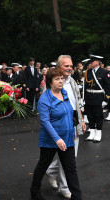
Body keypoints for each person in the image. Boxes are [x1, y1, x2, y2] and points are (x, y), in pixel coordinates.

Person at [30, 67, 82, 200]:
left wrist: (72, 130)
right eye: (56, 79)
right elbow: (45, 122)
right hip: (50, 140)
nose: (60, 81)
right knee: (43, 166)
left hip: (68, 138)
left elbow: (70, 114)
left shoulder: (64, 93)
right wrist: (57, 139)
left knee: (71, 169)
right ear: (50, 82)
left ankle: (77, 196)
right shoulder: (45, 99)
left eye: (61, 78)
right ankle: (35, 192)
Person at [46, 55, 86, 199]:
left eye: (70, 65)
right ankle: (64, 188)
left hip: (74, 124)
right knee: (68, 159)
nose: (69, 68)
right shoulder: (53, 83)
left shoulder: (73, 82)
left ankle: (50, 171)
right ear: (58, 67)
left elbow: (77, 102)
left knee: (71, 157)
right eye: (66, 66)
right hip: (61, 126)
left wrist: (81, 120)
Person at [84, 54, 110, 142]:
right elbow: (85, 86)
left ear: (97, 62)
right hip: (89, 97)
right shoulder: (88, 72)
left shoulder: (104, 72)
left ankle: (98, 134)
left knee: (98, 117)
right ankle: (92, 133)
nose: (91, 63)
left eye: (93, 61)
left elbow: (108, 87)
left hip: (99, 98)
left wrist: (106, 99)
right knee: (90, 116)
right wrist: (83, 98)